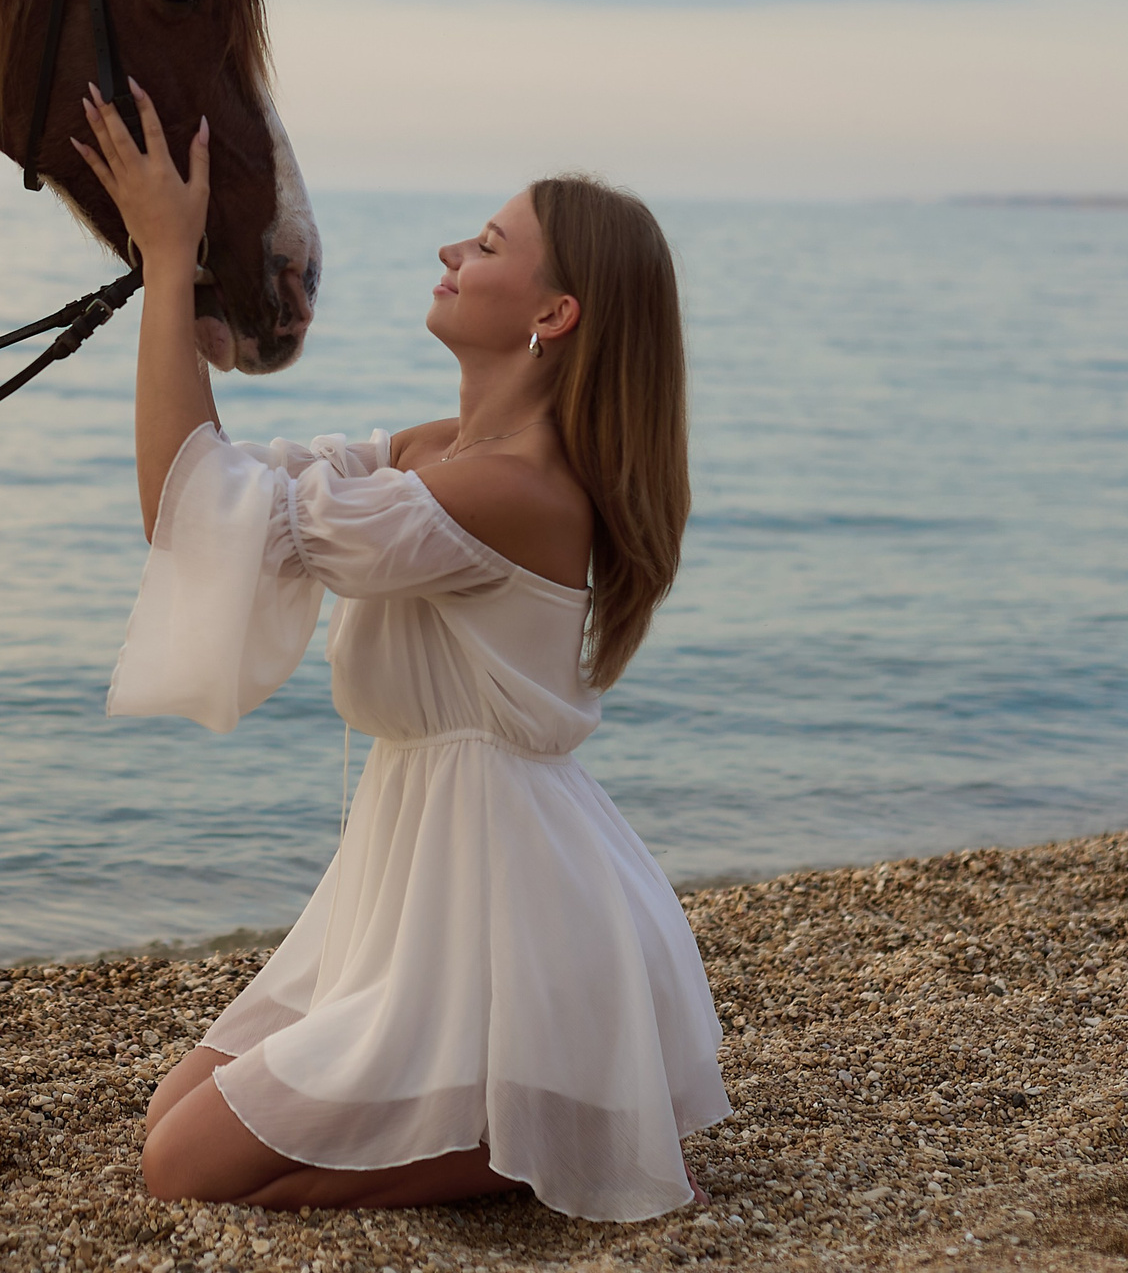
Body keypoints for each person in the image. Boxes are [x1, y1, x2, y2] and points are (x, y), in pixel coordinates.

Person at [70, 79, 729, 1222]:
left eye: (484, 243)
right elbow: (218, 492)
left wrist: (169, 257)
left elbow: (191, 507)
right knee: (170, 1122)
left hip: (507, 903)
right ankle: (550, 1115)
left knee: (181, 1167)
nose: (449, 249)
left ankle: (545, 1134)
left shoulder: (506, 488)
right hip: (416, 872)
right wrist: (186, 286)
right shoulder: (435, 451)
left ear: (554, 312)